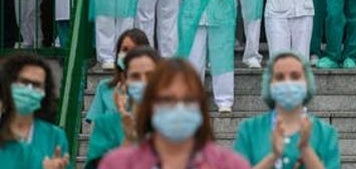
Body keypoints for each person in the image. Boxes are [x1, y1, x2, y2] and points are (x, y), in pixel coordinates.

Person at [98, 58, 250, 169]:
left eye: (189, 99)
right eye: (167, 99)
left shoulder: (231, 165)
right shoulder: (117, 164)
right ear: (151, 105)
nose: (179, 107)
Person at [233, 51, 340, 169]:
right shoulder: (249, 130)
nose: (287, 82)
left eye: (295, 76)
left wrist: (305, 149)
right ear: (269, 84)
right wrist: (273, 156)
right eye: (279, 77)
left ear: (307, 82)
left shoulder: (326, 133)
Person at [86, 46, 160, 169]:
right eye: (135, 76)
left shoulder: (172, 124)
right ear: (125, 81)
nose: (143, 81)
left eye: (150, 75)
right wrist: (128, 142)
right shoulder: (106, 124)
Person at [0, 52, 71, 167]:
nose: (29, 89)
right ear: (8, 84)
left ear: (45, 92)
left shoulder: (55, 136)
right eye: (24, 82)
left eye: (36, 85)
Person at [86, 28, 150, 123]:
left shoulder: (155, 89)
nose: (128, 55)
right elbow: (95, 129)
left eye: (134, 50)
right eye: (125, 50)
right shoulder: (104, 87)